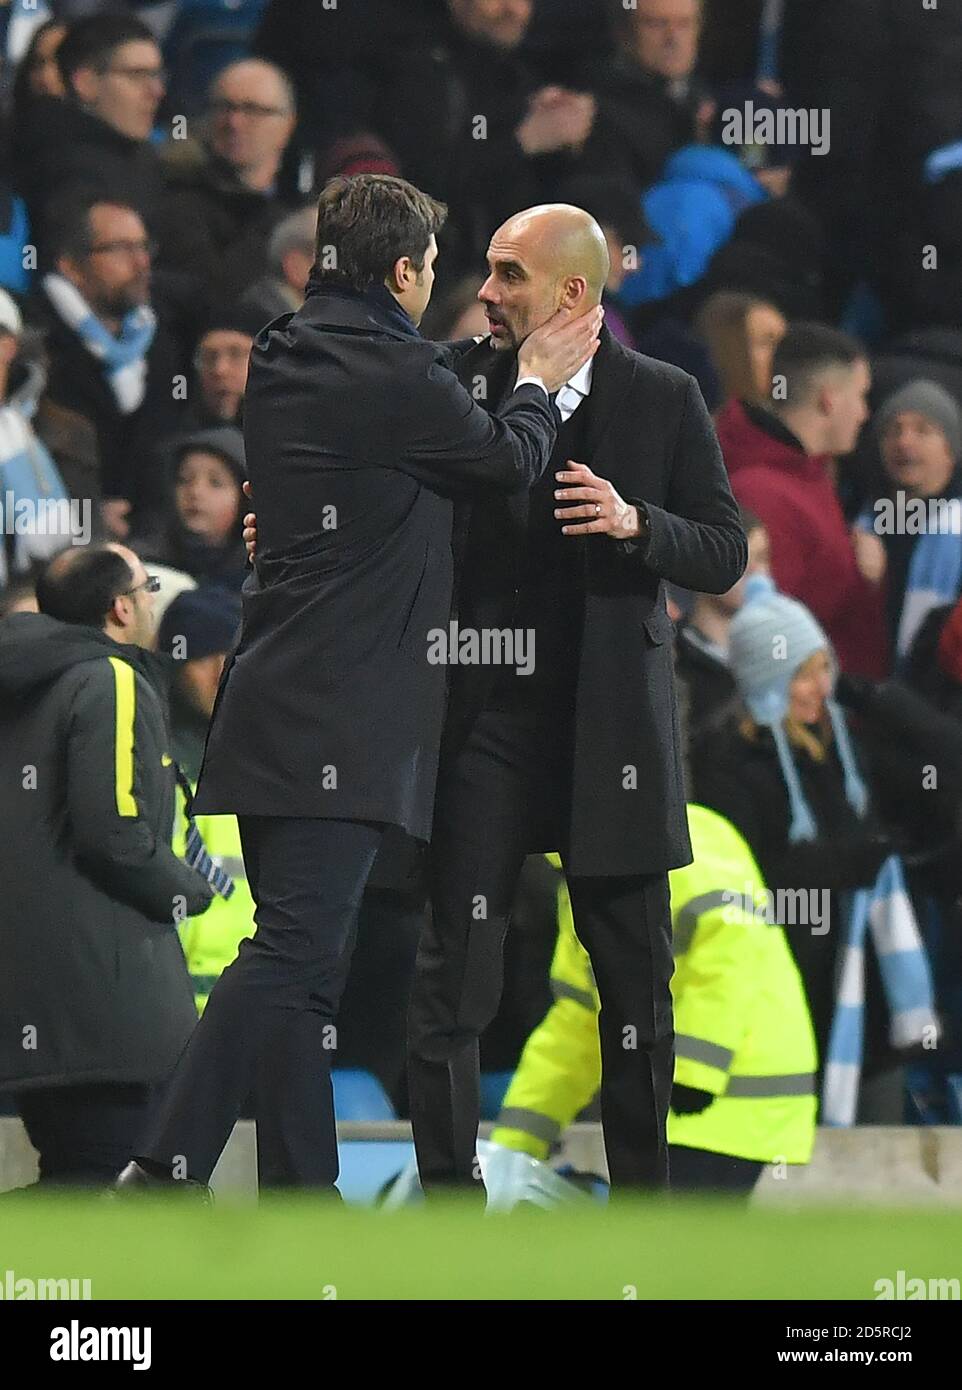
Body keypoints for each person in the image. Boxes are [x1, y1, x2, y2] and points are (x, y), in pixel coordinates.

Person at [115, 173, 600, 1194]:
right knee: (292, 951)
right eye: (430, 270)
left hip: (268, 695)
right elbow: (509, 461)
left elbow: (367, 483)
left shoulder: (280, 351)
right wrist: (541, 376)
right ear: (401, 271)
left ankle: (303, 1197)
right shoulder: (392, 371)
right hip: (340, 714)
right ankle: (162, 1164)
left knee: (301, 967)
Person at [407, 202, 746, 1195]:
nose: (483, 292)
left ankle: (643, 1215)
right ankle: (445, 1206)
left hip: (611, 731)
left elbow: (721, 550)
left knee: (635, 982)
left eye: (507, 274)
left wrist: (637, 521)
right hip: (481, 722)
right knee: (453, 974)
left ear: (569, 292)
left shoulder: (662, 396)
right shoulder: (454, 380)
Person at [0, 543, 214, 1187]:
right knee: (106, 1187)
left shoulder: (22, 680)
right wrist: (190, 889)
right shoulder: (112, 678)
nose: (153, 600)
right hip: (104, 997)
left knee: (77, 1171)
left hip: (34, 996)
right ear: (121, 608)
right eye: (148, 587)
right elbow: (113, 830)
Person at [692, 576, 938, 1124]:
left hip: (858, 985)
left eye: (824, 668)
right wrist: (860, 861)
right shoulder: (725, 759)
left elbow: (938, 760)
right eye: (804, 674)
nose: (822, 687)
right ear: (766, 677)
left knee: (875, 1141)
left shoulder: (838, 750)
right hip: (784, 987)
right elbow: (753, 874)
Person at [489, 804, 818, 1195]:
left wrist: (692, 1076)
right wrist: (513, 1144)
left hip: (732, 1100)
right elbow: (578, 1025)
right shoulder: (585, 884)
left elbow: (728, 956)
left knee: (665, 1245)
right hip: (677, 1103)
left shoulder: (681, 843)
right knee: (660, 1246)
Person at [717, 322, 889, 677]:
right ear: (829, 398)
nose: (864, 413)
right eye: (860, 396)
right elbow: (763, 631)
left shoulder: (811, 474)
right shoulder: (764, 494)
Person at [27, 190, 184, 538]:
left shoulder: (161, 343)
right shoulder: (38, 346)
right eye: (121, 249)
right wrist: (87, 515)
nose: (141, 262)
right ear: (71, 267)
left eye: (144, 247)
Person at [13, 13, 166, 248]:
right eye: (137, 75)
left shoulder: (141, 156)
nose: (157, 91)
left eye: (156, 75)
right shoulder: (63, 169)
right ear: (86, 83)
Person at [155, 59, 301, 302]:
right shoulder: (179, 203)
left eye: (252, 110)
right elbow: (215, 295)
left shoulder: (307, 207)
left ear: (288, 124)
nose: (234, 123)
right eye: (225, 108)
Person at [851, 381, 962, 670]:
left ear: (951, 451)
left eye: (923, 430)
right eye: (894, 430)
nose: (904, 442)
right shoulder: (860, 523)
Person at [139, 427, 249, 591]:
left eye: (215, 482)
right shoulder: (144, 567)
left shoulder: (257, 576)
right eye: (185, 479)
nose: (195, 492)